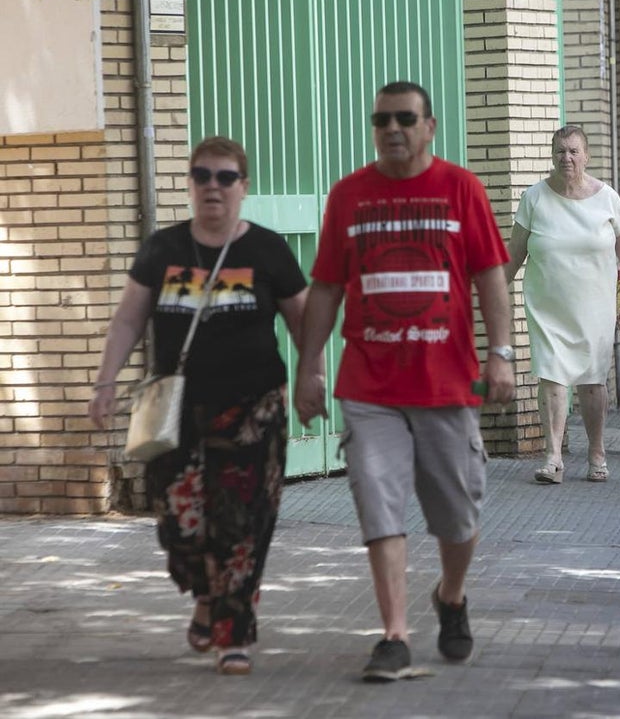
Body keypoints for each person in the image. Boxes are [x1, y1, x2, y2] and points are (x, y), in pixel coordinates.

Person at [293, 81, 515, 682]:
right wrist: (308, 366)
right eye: (382, 120)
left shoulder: (460, 188)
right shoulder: (349, 196)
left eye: (405, 119)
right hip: (370, 388)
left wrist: (502, 354)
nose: (393, 129)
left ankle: (450, 594)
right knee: (376, 501)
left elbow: (492, 276)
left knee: (458, 514)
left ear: (429, 126)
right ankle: (393, 634)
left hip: (446, 384)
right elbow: (328, 288)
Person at [88, 136, 311, 676]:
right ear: (190, 184)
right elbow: (127, 320)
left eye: (226, 177)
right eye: (203, 176)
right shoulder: (163, 249)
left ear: (244, 186)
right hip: (176, 409)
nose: (214, 186)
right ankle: (206, 596)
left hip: (254, 410)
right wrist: (105, 381)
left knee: (242, 522)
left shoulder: (266, 250)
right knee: (180, 523)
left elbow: (304, 319)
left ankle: (234, 634)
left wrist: (315, 375)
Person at [506, 125, 620, 485]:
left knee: (592, 382)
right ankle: (553, 456)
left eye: (574, 151)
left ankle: (596, 452)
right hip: (547, 307)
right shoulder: (535, 198)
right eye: (560, 151)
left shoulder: (606, 198)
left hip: (593, 307)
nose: (566, 158)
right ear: (552, 155)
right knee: (552, 378)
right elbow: (513, 255)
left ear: (586, 156)